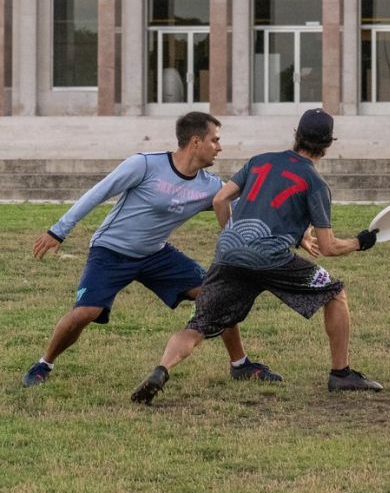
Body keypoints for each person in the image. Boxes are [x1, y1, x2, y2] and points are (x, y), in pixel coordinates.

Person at [131, 108, 383, 405]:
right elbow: (328, 247)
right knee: (335, 294)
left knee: (197, 327)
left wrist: (234, 236)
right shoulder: (315, 183)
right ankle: (341, 374)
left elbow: (220, 199)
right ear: (328, 144)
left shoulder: (259, 161)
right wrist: (359, 242)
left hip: (229, 254)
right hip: (272, 259)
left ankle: (162, 369)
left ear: (297, 135)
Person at [21, 112, 279, 387]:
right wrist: (58, 230)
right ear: (195, 141)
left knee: (218, 294)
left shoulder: (211, 187)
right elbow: (99, 192)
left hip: (156, 255)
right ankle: (44, 363)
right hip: (111, 251)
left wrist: (290, 226)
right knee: (86, 313)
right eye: (214, 140)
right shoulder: (144, 164)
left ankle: (240, 364)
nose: (220, 147)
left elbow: (248, 211)